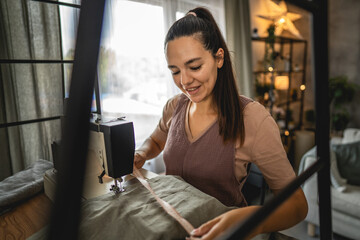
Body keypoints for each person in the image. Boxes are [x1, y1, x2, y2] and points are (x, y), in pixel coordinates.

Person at [133, 7, 308, 240]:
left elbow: (297, 205)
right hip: (170, 225)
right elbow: (156, 139)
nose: (184, 81)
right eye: (175, 71)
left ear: (219, 58)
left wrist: (249, 218)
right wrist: (142, 153)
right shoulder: (174, 107)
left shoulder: (253, 119)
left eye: (194, 67)